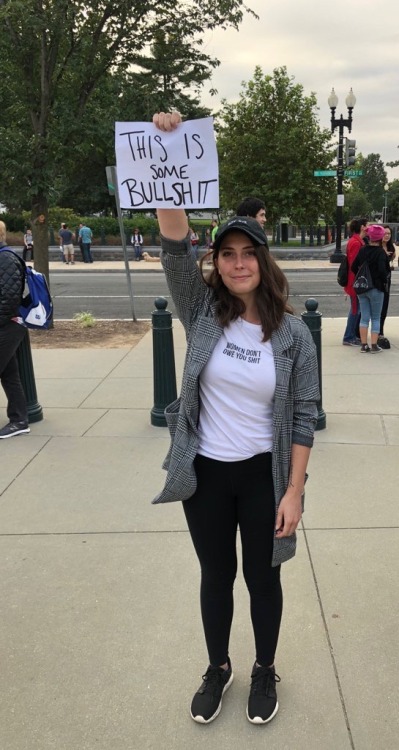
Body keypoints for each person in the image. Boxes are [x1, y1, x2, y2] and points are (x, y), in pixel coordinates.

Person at [151, 111, 319, 726]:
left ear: (263, 261)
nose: (238, 262)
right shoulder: (201, 314)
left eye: (249, 253)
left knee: (263, 578)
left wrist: (295, 491)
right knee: (216, 576)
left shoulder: (294, 334)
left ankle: (264, 668)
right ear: (217, 262)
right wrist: (168, 146)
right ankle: (218, 666)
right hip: (207, 473)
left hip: (263, 476)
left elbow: (303, 415)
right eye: (228, 253)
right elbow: (174, 244)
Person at [0, 221, 30, 439]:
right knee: (9, 374)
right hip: (7, 323)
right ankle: (19, 420)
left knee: (9, 374)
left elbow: (9, 300)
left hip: (8, 325)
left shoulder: (5, 258)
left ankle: (19, 419)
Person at [351, 224, 389, 353]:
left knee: (364, 316)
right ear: (380, 238)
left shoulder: (362, 250)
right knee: (376, 317)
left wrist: (361, 275)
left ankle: (363, 345)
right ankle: (374, 345)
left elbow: (353, 266)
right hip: (376, 287)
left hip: (363, 287)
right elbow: (384, 272)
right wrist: (384, 282)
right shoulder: (381, 253)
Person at [342, 217, 368, 346]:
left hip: (355, 281)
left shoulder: (357, 241)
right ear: (362, 227)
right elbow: (355, 264)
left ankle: (351, 335)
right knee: (355, 310)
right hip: (355, 282)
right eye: (367, 225)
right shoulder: (356, 243)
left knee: (356, 309)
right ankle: (348, 336)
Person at [378, 225, 396, 349]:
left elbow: (391, 260)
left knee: (384, 306)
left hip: (387, 279)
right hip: (378, 281)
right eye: (385, 233)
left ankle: (380, 330)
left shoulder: (390, 247)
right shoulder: (377, 247)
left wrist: (392, 259)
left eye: (389, 233)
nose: (387, 235)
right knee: (376, 307)